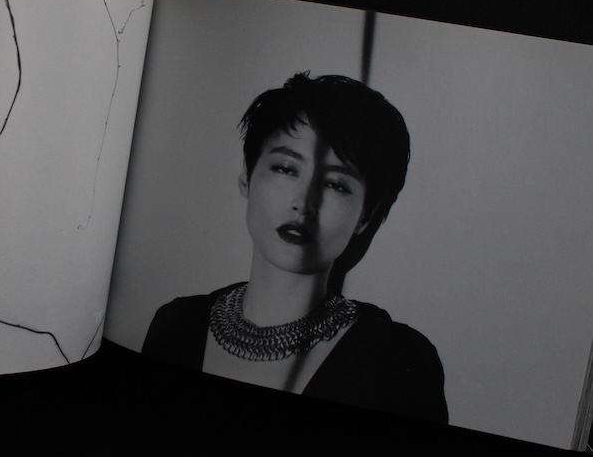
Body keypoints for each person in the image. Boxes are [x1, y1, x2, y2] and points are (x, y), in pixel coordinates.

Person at [142, 72, 448, 424]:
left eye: (336, 184)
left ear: (365, 215)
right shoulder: (176, 325)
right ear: (246, 176)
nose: (304, 202)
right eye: (286, 168)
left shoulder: (397, 363)